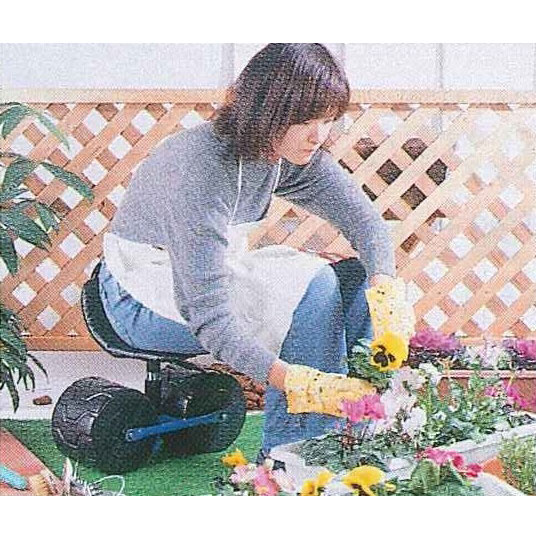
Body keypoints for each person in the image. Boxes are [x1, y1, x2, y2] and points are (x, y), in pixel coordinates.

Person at [98, 43, 415, 456]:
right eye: (305, 120)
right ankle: (295, 458)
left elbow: (365, 222)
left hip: (202, 283)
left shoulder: (280, 150)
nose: (318, 136)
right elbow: (208, 318)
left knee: (355, 280)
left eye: (327, 120)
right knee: (315, 286)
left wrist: (385, 292)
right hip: (136, 299)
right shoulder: (201, 168)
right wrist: (297, 383)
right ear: (267, 108)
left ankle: (355, 437)